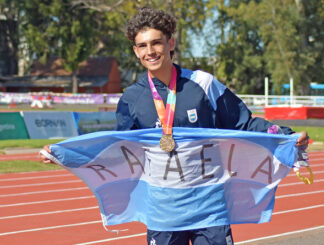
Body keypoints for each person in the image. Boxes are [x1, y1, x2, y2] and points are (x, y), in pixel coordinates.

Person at [41, 7, 309, 245]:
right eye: (142, 45)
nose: (150, 51)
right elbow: (117, 150)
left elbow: (244, 122)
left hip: (210, 205)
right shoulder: (132, 99)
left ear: (170, 43)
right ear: (135, 51)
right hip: (163, 211)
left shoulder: (203, 84)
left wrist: (287, 136)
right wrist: (68, 155)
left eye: (156, 43)